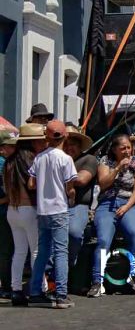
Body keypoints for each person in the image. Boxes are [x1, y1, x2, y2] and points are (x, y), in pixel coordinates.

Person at [27, 120, 77, 309]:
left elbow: (31, 184)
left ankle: (35, 293)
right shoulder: (66, 159)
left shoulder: (39, 158)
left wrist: (43, 186)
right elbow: (70, 188)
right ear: (65, 136)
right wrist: (70, 195)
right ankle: (61, 295)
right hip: (59, 209)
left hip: (43, 211)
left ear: (47, 137)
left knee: (43, 253)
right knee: (61, 252)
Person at [88, 134, 135, 297]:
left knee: (134, 233)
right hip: (107, 203)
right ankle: (97, 281)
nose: (127, 151)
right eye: (123, 148)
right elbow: (103, 183)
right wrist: (119, 167)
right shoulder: (106, 161)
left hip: (129, 203)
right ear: (115, 149)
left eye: (129, 147)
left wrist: (127, 206)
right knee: (104, 240)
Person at [4, 124, 46, 306]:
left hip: (12, 210)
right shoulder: (32, 159)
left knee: (19, 251)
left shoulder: (9, 161)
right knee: (36, 250)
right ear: (33, 141)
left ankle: (16, 290)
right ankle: (39, 289)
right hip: (29, 208)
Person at [61, 123, 97, 268]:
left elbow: (82, 179)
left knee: (74, 232)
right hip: (56, 205)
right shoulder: (56, 158)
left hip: (79, 206)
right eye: (66, 144)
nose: (70, 148)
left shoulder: (89, 159)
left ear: (80, 145)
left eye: (74, 144)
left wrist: (58, 176)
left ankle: (69, 266)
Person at [0, 132, 16, 303]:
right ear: (3, 148)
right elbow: (9, 191)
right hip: (4, 212)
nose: (14, 149)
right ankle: (6, 287)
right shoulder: (3, 164)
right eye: (11, 146)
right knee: (6, 251)